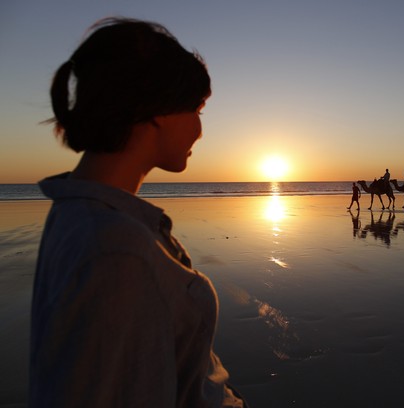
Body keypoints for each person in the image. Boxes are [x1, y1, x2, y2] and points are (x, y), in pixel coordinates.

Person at [30, 18, 245, 407]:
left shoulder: (78, 213)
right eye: (198, 109)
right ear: (158, 110)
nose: (200, 129)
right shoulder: (116, 248)